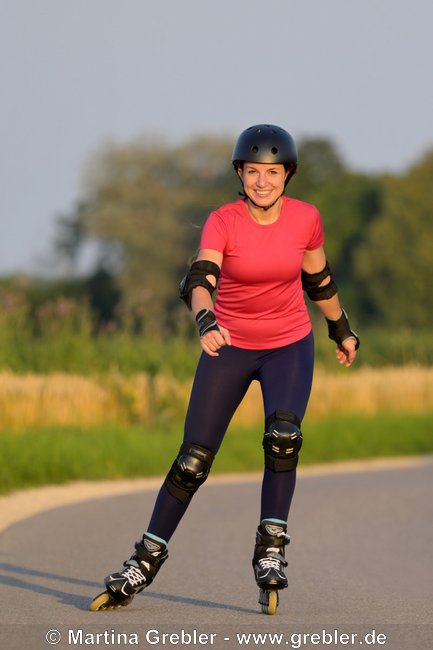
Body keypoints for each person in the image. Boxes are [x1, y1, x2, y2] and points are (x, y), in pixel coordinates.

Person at [90, 124, 359, 614]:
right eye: (253, 172)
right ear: (240, 173)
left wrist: (341, 329)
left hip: (288, 345)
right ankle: (143, 561)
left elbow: (317, 278)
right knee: (193, 460)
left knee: (284, 437)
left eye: (272, 173)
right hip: (229, 343)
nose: (262, 182)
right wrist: (205, 317)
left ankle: (271, 549)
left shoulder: (307, 219)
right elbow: (202, 276)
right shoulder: (223, 220)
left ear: (288, 175)